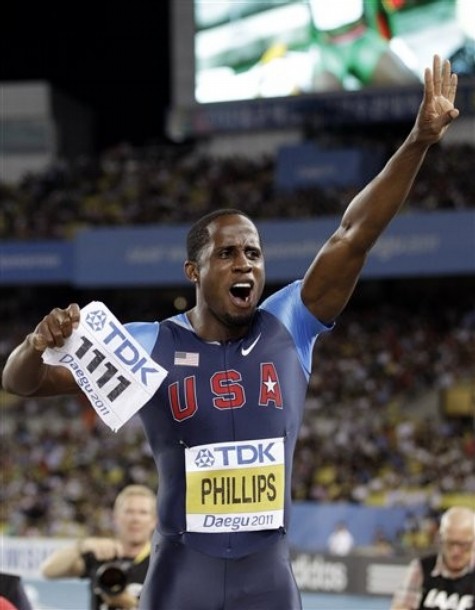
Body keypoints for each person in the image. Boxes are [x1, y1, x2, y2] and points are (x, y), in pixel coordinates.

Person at [2, 55, 459, 610]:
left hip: (266, 576)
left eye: (254, 253)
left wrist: (417, 141)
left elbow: (354, 234)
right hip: (182, 572)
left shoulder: (291, 322)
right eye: (227, 253)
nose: (245, 263)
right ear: (193, 272)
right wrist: (35, 345)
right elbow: (23, 383)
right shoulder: (147, 345)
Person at [40, 485, 156, 610]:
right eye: (129, 512)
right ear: (115, 518)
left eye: (143, 513)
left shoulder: (159, 563)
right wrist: (83, 545)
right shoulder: (103, 554)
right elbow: (48, 571)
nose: (135, 519)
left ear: (154, 521)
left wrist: (132, 605)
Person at [390, 506, 475, 610]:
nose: (456, 551)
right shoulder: (421, 568)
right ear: (440, 538)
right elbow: (402, 606)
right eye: (450, 543)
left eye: (463, 544)